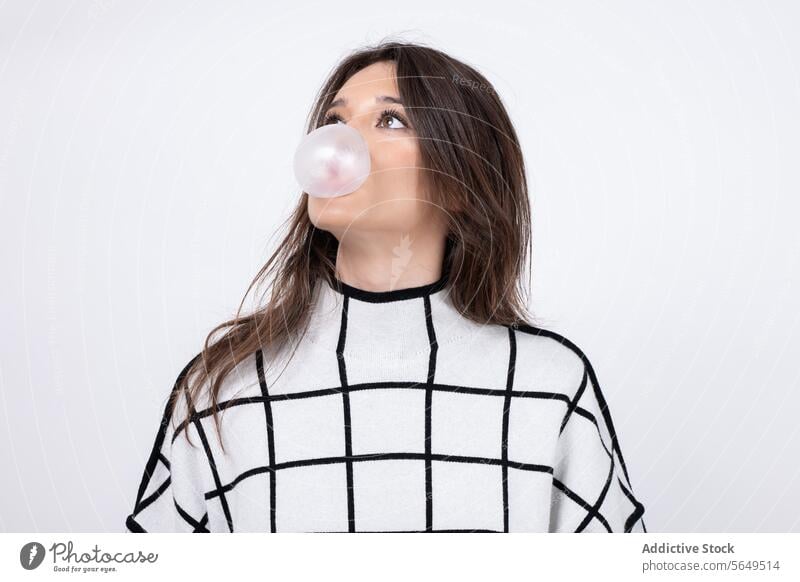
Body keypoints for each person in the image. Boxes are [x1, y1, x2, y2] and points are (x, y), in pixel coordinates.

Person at [125, 39, 647, 533]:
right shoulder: (225, 387)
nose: (339, 143)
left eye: (390, 118)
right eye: (335, 119)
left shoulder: (548, 384)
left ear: (459, 182)